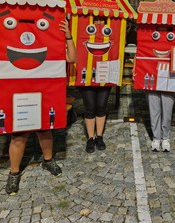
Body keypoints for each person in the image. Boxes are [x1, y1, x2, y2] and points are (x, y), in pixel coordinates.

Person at [6, 18, 77, 195]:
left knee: (45, 130)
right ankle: (14, 173)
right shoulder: (11, 39)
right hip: (20, 94)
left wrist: (68, 36)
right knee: (19, 136)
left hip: (43, 93)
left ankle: (48, 160)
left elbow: (73, 58)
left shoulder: (52, 43)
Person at [79, 17, 112, 153]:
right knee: (90, 107)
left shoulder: (110, 33)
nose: (98, 23)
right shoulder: (83, 31)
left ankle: (99, 136)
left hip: (105, 73)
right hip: (86, 74)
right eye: (95, 20)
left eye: (101, 20)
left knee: (101, 106)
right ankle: (90, 138)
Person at [147, 73, 175, 152]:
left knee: (167, 110)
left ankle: (165, 138)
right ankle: (156, 138)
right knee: (154, 110)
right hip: (151, 71)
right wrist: (135, 67)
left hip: (171, 75)